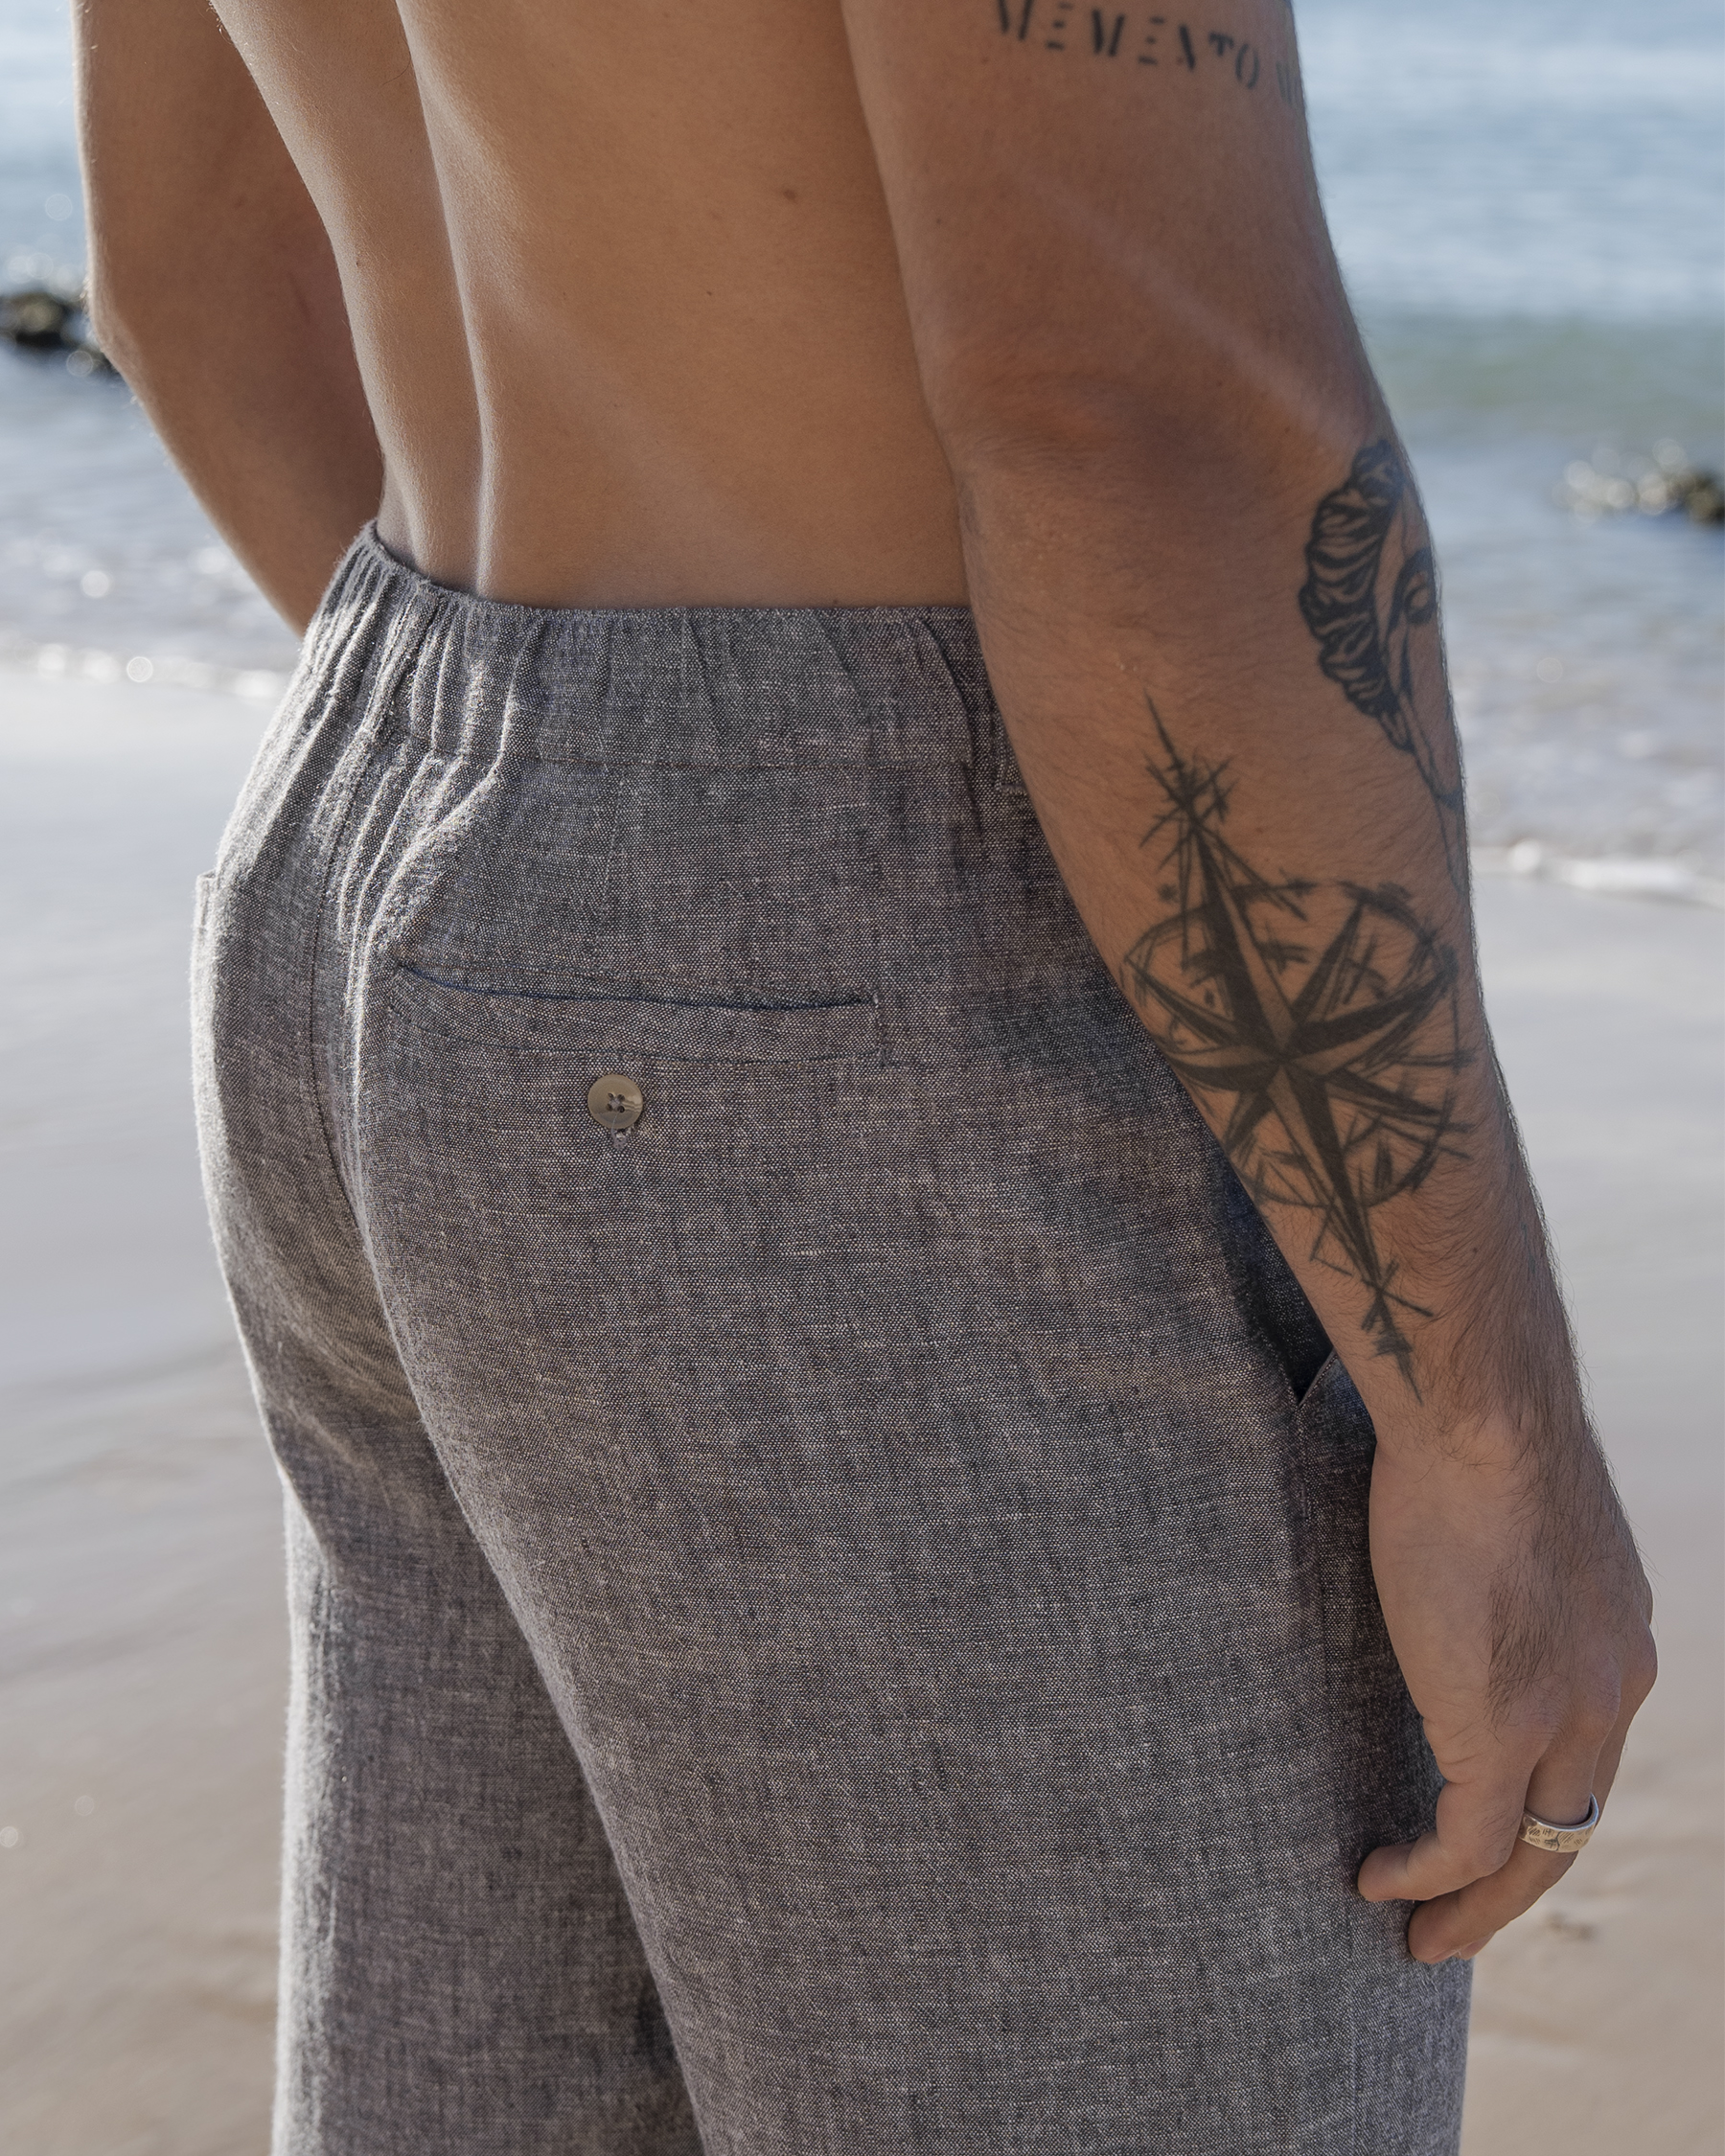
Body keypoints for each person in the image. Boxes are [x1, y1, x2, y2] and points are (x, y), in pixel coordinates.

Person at [76, 1, 1655, 2148]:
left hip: (376, 837)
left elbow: (186, 280)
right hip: (882, 996)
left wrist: (565, 866)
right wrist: (1486, 1415)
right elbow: (1129, 405)